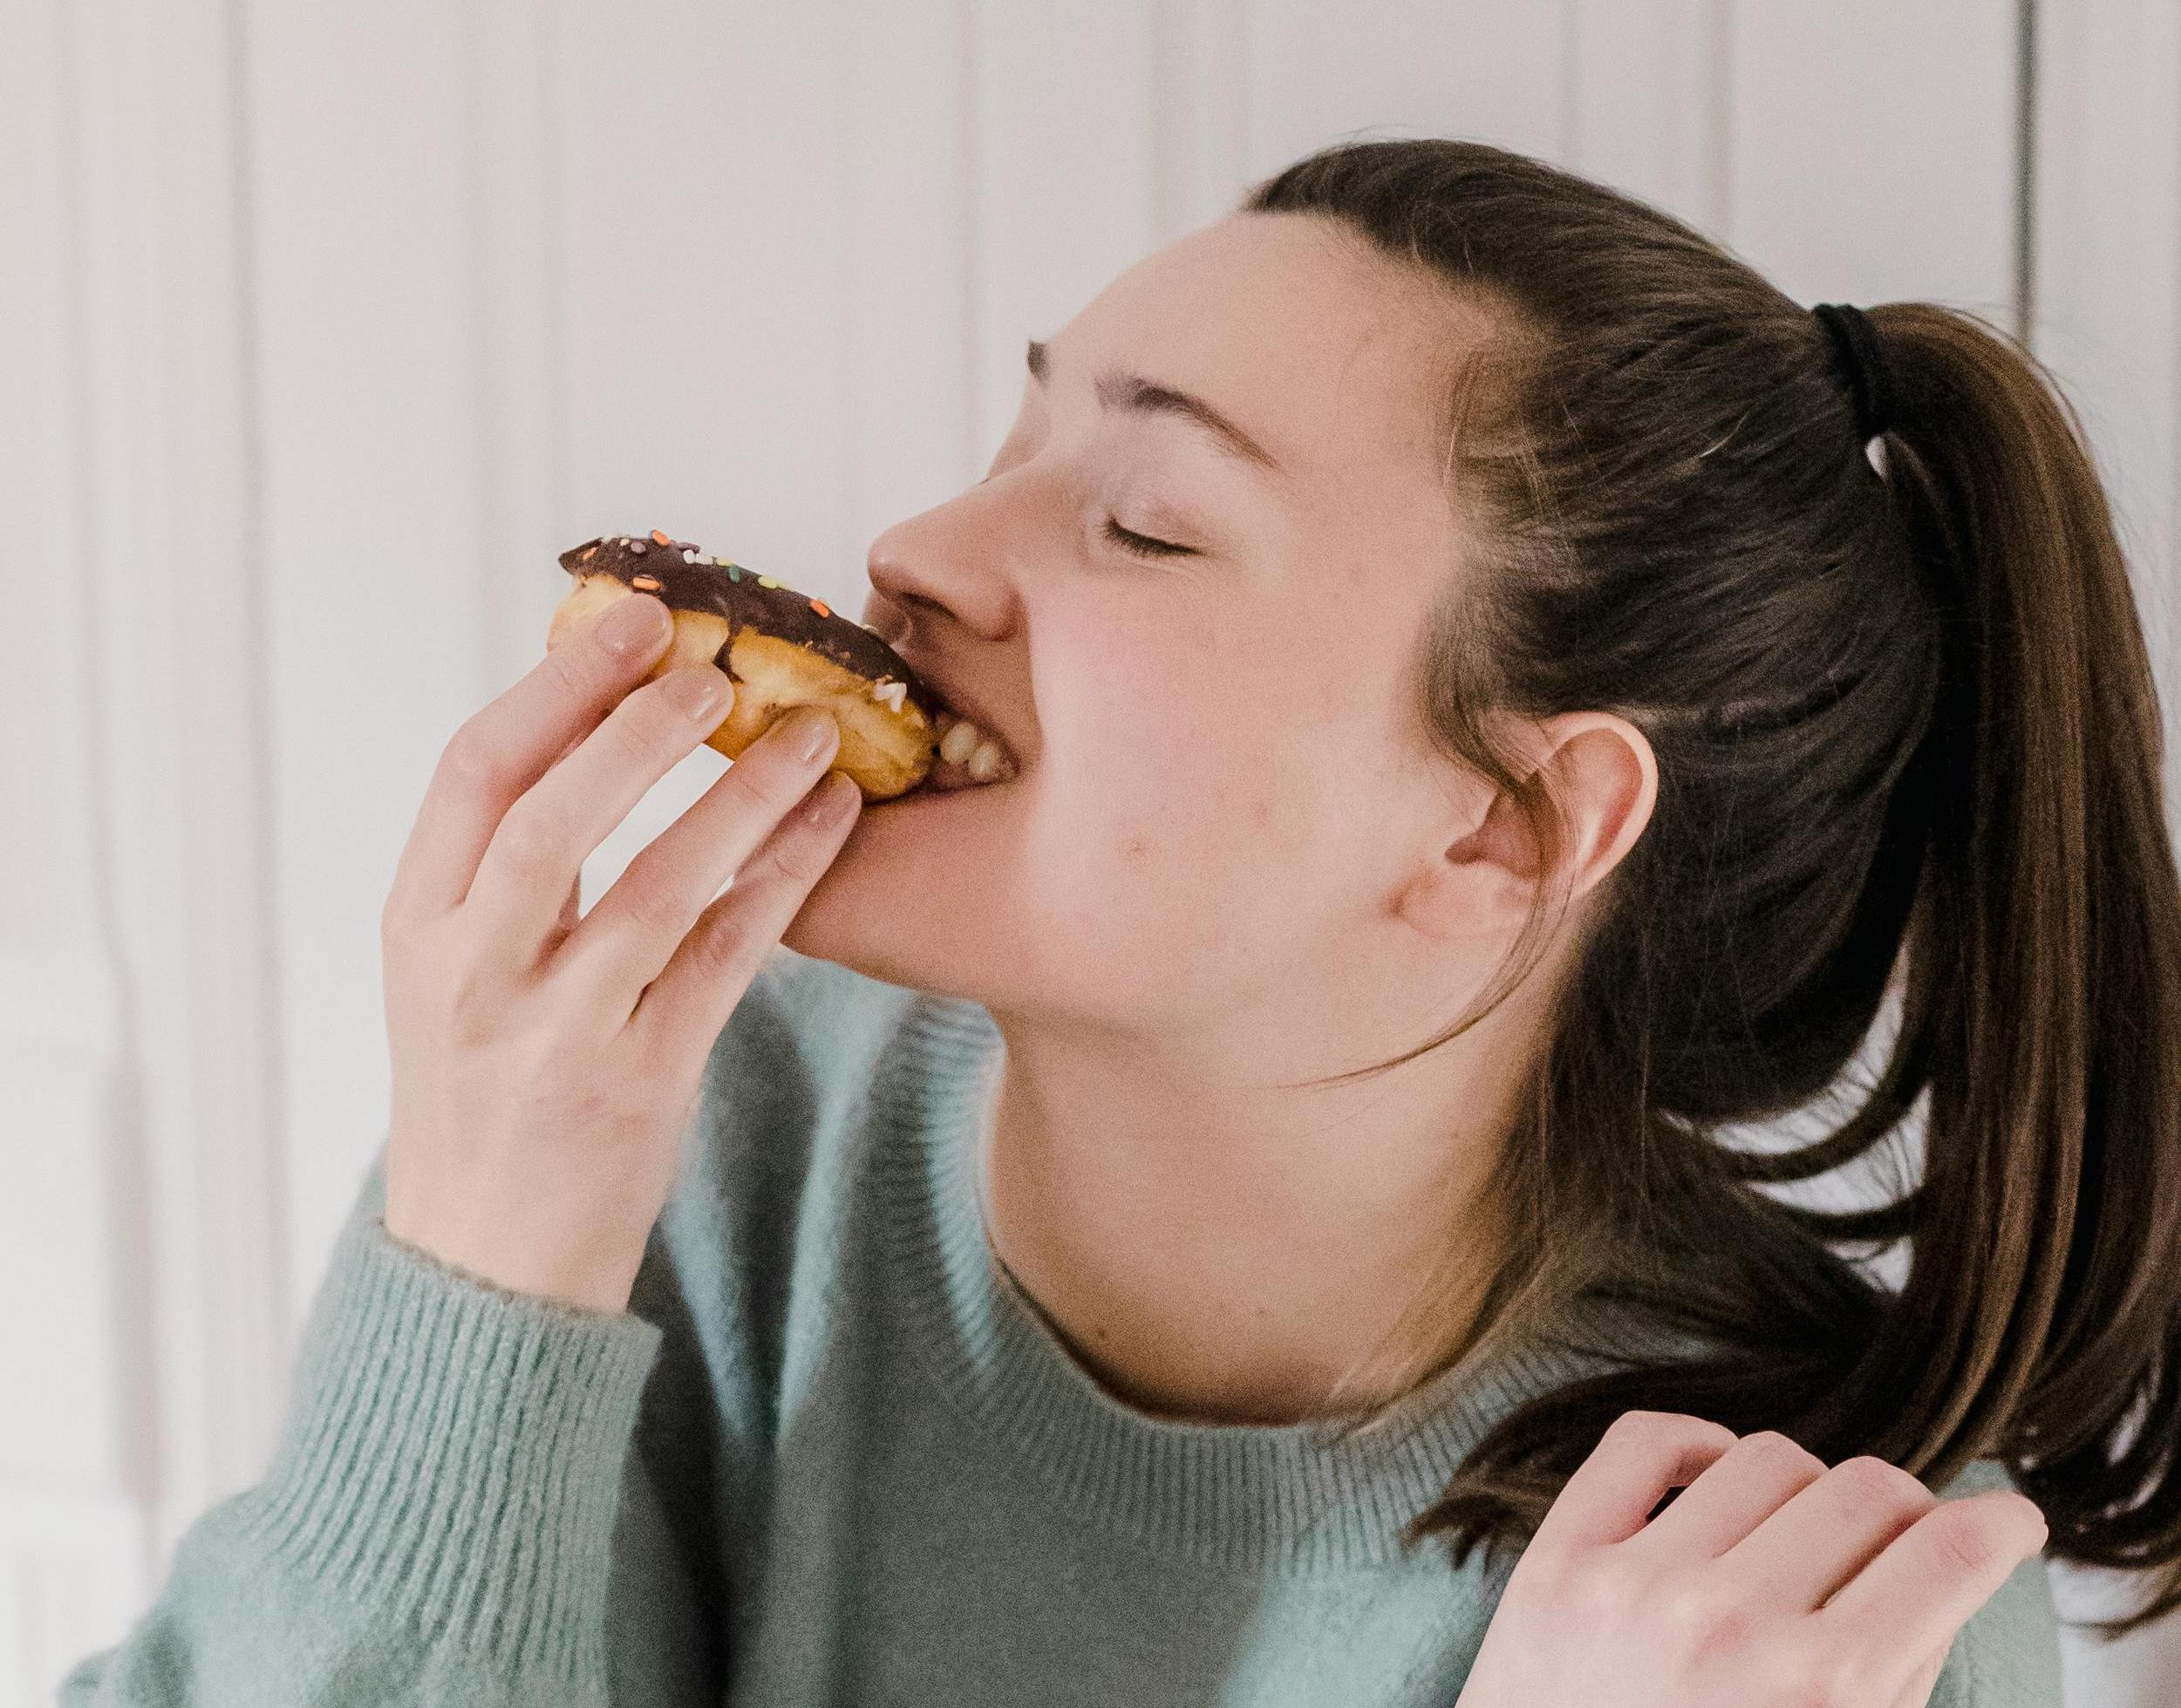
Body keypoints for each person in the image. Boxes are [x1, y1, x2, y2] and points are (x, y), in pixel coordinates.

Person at [60, 138, 2181, 1706]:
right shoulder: (686, 1138)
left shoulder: (1789, 1584)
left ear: (1512, 822)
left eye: (1145, 521)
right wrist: (475, 1271)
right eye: (1016, 430)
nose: (916, 549)